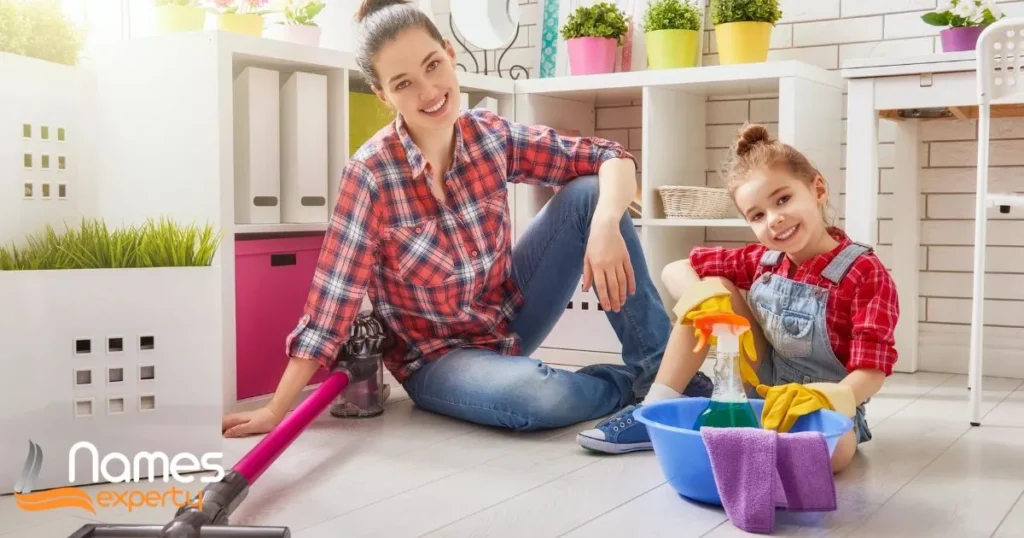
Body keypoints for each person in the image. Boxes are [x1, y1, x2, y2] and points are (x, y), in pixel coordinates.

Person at [221, 0, 712, 439]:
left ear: (451, 53)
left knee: (589, 193)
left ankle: (667, 382)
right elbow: (331, 306)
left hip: (508, 316)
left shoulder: (488, 134)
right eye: (403, 83)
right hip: (437, 360)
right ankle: (635, 388)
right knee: (535, 396)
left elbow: (612, 156)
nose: (430, 91)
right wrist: (275, 411)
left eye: (433, 65)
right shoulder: (370, 175)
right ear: (382, 95)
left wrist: (606, 224)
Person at [576, 124, 898, 472]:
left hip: (825, 405)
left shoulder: (864, 273)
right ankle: (653, 409)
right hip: (760, 385)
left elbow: (871, 370)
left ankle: (753, 445)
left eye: (783, 199)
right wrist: (703, 302)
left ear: (817, 189)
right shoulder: (764, 259)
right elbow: (675, 269)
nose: (774, 220)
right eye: (757, 215)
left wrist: (821, 399)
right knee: (712, 288)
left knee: (833, 451)